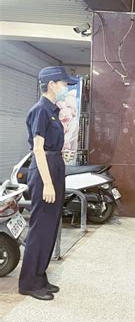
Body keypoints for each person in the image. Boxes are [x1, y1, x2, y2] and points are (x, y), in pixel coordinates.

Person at [19, 66, 78, 300]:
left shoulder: (52, 110)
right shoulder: (40, 110)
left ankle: (40, 276)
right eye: (64, 84)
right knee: (40, 228)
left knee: (50, 227)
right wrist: (48, 184)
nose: (66, 89)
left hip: (54, 167)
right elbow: (38, 149)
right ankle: (29, 283)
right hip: (44, 172)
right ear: (52, 84)